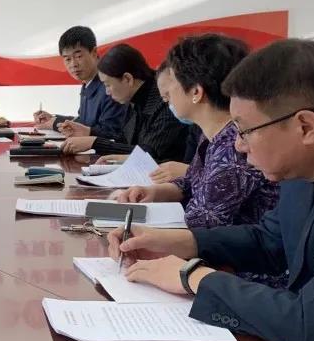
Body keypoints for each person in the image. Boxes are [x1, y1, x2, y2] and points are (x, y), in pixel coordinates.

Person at [106, 39, 314, 341]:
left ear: (305, 126)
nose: (237, 144)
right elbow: (270, 240)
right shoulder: (302, 169)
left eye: (246, 130)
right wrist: (177, 242)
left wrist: (193, 277)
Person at [115, 33, 278, 228]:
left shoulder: (233, 147)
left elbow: (202, 223)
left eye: (172, 84)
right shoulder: (213, 135)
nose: (165, 99)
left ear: (196, 92)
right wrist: (155, 192)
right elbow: (191, 181)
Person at [61, 43, 189, 162]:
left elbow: (149, 153)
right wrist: (89, 132)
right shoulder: (133, 98)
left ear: (127, 79)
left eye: (108, 85)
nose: (107, 92)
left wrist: (94, 143)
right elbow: (124, 139)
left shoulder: (165, 101)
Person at [33, 26, 125, 139]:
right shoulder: (88, 83)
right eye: (67, 59)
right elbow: (84, 121)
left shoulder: (109, 86)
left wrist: (54, 123)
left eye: (78, 56)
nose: (73, 64)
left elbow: (112, 134)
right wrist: (54, 119)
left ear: (94, 52)